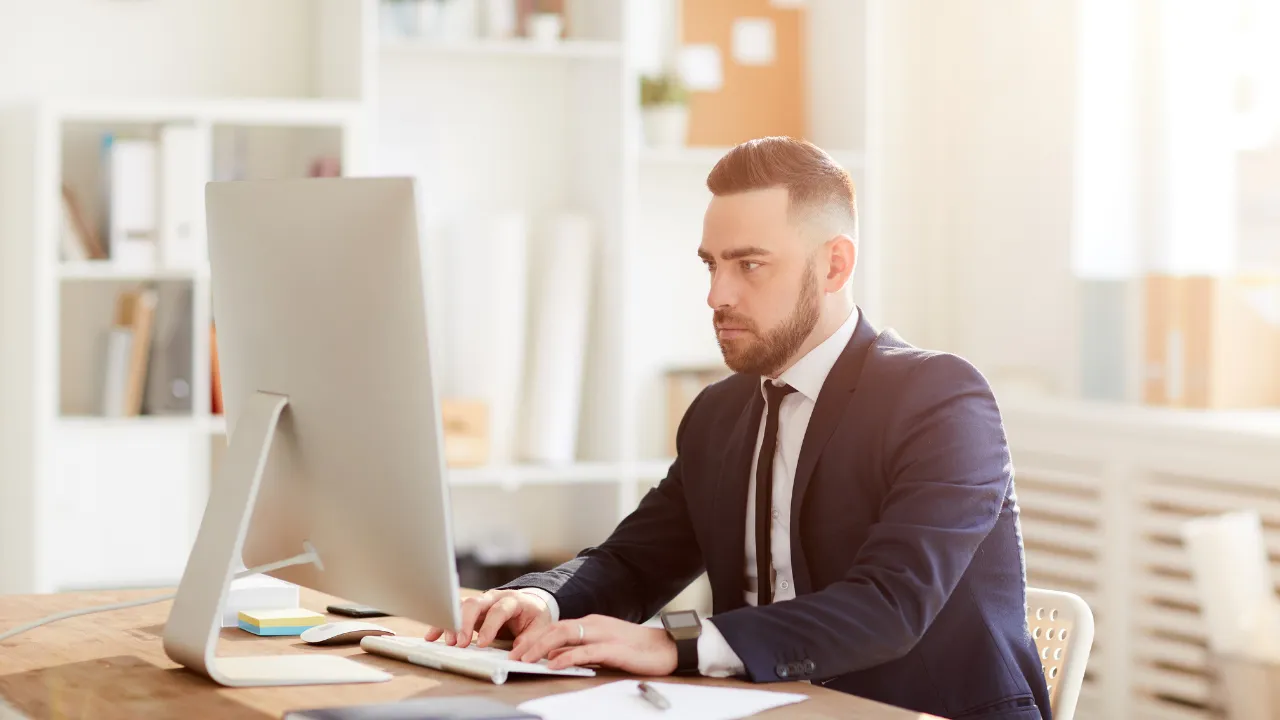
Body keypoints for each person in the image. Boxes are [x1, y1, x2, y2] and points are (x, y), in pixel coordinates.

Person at [424, 137, 1051, 720]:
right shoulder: (719, 413)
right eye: (711, 266)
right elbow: (635, 563)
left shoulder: (939, 397)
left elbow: (889, 605)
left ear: (834, 266)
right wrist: (540, 601)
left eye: (750, 265)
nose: (717, 295)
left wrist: (678, 644)